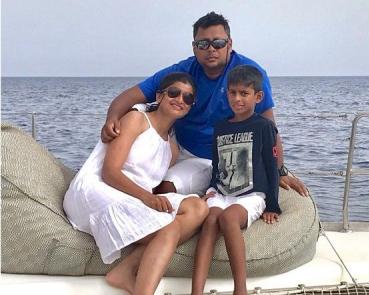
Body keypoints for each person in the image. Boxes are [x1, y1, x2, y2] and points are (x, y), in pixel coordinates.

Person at [100, 11, 309, 198]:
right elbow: (130, 96)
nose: (211, 49)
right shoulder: (182, 71)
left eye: (218, 43)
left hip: (212, 159)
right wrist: (112, 119)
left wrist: (279, 170)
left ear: (229, 43)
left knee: (164, 189)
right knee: (130, 175)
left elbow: (269, 127)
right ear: (194, 47)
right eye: (203, 44)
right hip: (174, 147)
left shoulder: (250, 73)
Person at [63, 73, 209, 295]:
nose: (180, 99)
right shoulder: (137, 120)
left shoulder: (172, 147)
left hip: (134, 195)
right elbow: (110, 172)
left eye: (188, 98)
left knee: (198, 208)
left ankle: (125, 271)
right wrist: (148, 198)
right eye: (174, 93)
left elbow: (149, 180)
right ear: (159, 96)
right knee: (168, 230)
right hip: (99, 188)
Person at [191, 65, 281, 295]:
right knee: (210, 221)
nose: (237, 98)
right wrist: (211, 188)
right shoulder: (220, 127)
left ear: (258, 97)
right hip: (222, 192)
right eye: (232, 92)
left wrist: (272, 205)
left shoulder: (263, 126)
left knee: (229, 219)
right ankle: (196, 291)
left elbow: (271, 167)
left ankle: (240, 289)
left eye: (244, 93)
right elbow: (216, 162)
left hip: (251, 195)